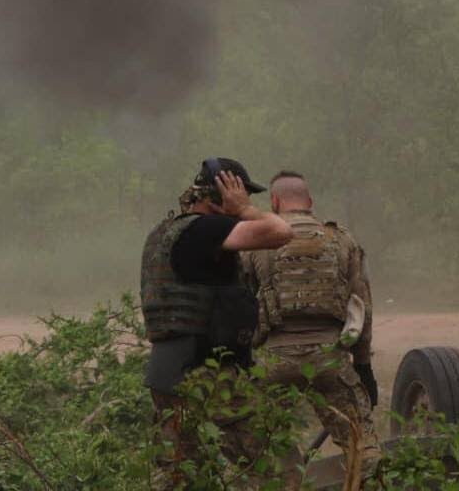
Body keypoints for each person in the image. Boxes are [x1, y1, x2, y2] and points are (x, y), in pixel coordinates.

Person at [141, 157, 293, 487]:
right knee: (271, 467)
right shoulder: (205, 229)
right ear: (218, 195)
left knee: (181, 475)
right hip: (207, 373)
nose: (244, 200)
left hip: (166, 373)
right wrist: (245, 210)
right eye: (239, 192)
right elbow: (281, 232)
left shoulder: (165, 233)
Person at [244, 170, 377, 487]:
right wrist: (363, 366)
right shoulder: (342, 240)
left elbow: (242, 305)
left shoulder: (256, 242)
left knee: (268, 446)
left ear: (274, 201)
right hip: (329, 356)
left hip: (273, 359)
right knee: (363, 448)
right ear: (310, 201)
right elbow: (362, 307)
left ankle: (291, 481)